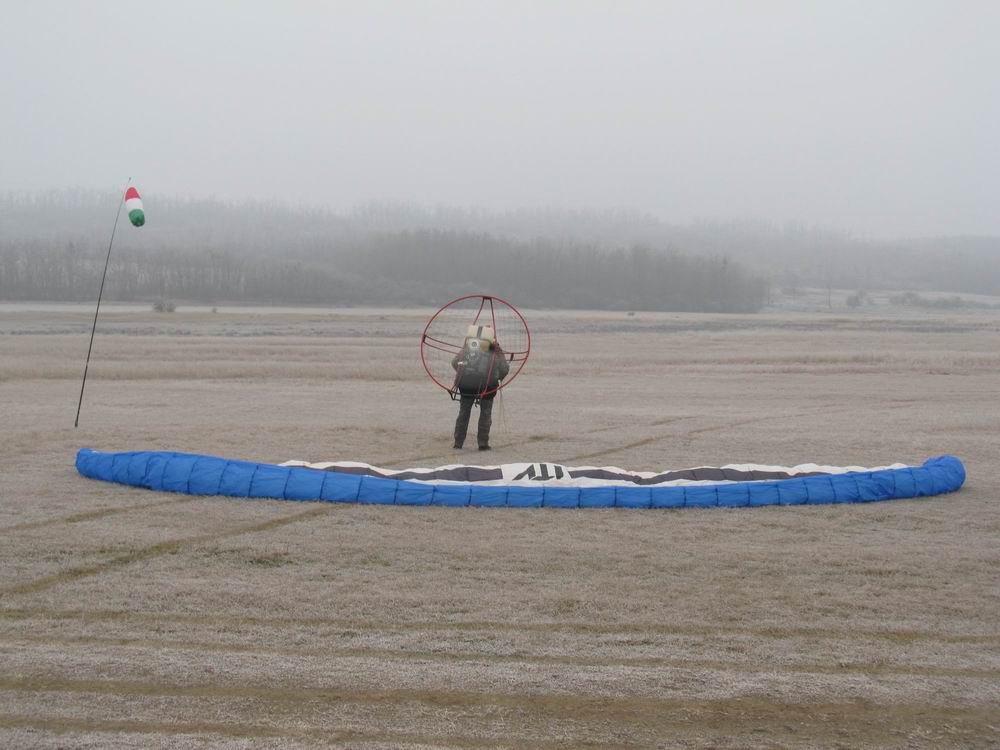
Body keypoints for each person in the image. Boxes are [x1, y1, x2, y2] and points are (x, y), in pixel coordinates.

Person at [451, 336, 510, 450]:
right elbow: (504, 369)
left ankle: (458, 442)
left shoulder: (470, 345)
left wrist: (464, 374)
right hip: (487, 387)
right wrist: (497, 378)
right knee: (485, 414)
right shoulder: (495, 349)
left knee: (464, 413)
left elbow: (454, 362)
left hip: (467, 385)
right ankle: (483, 444)